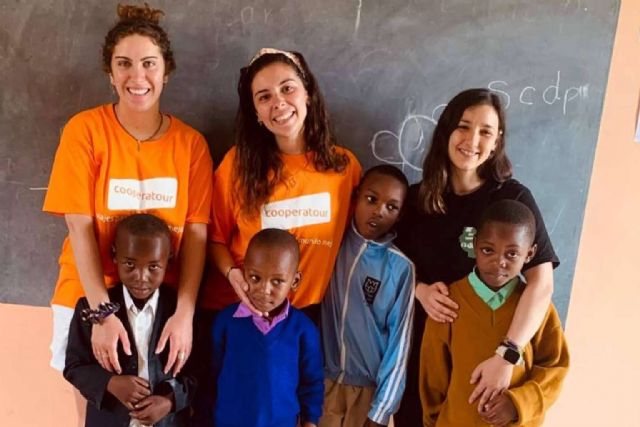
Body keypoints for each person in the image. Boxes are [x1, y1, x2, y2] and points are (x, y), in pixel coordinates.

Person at [43, 5, 212, 406]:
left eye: (149, 63)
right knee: (98, 411)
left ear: (166, 71)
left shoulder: (190, 145)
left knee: (160, 409)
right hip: (87, 297)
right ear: (110, 73)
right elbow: (79, 225)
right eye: (124, 64)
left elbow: (196, 235)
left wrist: (184, 313)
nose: (137, 77)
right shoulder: (85, 131)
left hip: (161, 306)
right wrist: (101, 313)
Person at [394, 88, 559, 425]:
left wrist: (507, 353)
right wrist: (420, 291)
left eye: (485, 131)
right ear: (446, 132)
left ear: (497, 142)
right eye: (463, 126)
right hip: (422, 353)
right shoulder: (416, 199)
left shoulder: (513, 199)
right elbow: (389, 265)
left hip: (488, 356)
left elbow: (541, 283)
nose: (472, 140)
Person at [201, 47, 362, 324]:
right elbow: (214, 238)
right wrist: (232, 274)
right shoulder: (237, 165)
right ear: (256, 113)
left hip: (305, 318)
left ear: (307, 93)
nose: (278, 103)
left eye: (287, 88)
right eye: (264, 97)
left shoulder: (345, 168)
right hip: (237, 313)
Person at [420, 200, 569, 426]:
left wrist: (517, 404)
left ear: (530, 254)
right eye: (488, 250)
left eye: (512, 254)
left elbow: (555, 369)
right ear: (474, 245)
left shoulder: (538, 309)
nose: (499, 262)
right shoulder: (448, 303)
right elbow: (432, 381)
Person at [64, 214, 197, 427]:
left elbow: (199, 371)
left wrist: (170, 401)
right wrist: (110, 383)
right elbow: (74, 367)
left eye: (153, 267)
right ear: (114, 256)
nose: (141, 277)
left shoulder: (181, 315)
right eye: (129, 264)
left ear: (169, 261)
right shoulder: (90, 309)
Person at [320, 165, 415, 427]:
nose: (379, 211)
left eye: (391, 207)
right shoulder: (330, 246)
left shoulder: (400, 267)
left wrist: (381, 410)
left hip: (368, 394)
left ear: (399, 215)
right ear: (356, 196)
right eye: (371, 199)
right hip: (321, 385)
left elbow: (400, 344)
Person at [210, 228, 324, 427]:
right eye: (255, 278)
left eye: (277, 281)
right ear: (244, 272)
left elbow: (312, 384)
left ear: (295, 281)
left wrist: (310, 421)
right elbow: (210, 379)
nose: (264, 290)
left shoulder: (304, 330)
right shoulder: (225, 322)